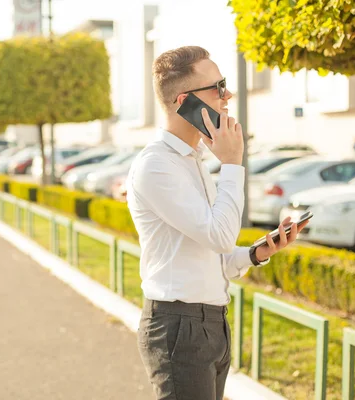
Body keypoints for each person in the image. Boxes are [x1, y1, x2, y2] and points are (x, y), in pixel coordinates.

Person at [126, 46, 309, 400]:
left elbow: (216, 254)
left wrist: (256, 253)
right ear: (184, 102)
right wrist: (231, 163)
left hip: (210, 325)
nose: (228, 96)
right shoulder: (157, 165)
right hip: (179, 328)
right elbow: (221, 236)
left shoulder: (192, 159)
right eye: (218, 87)